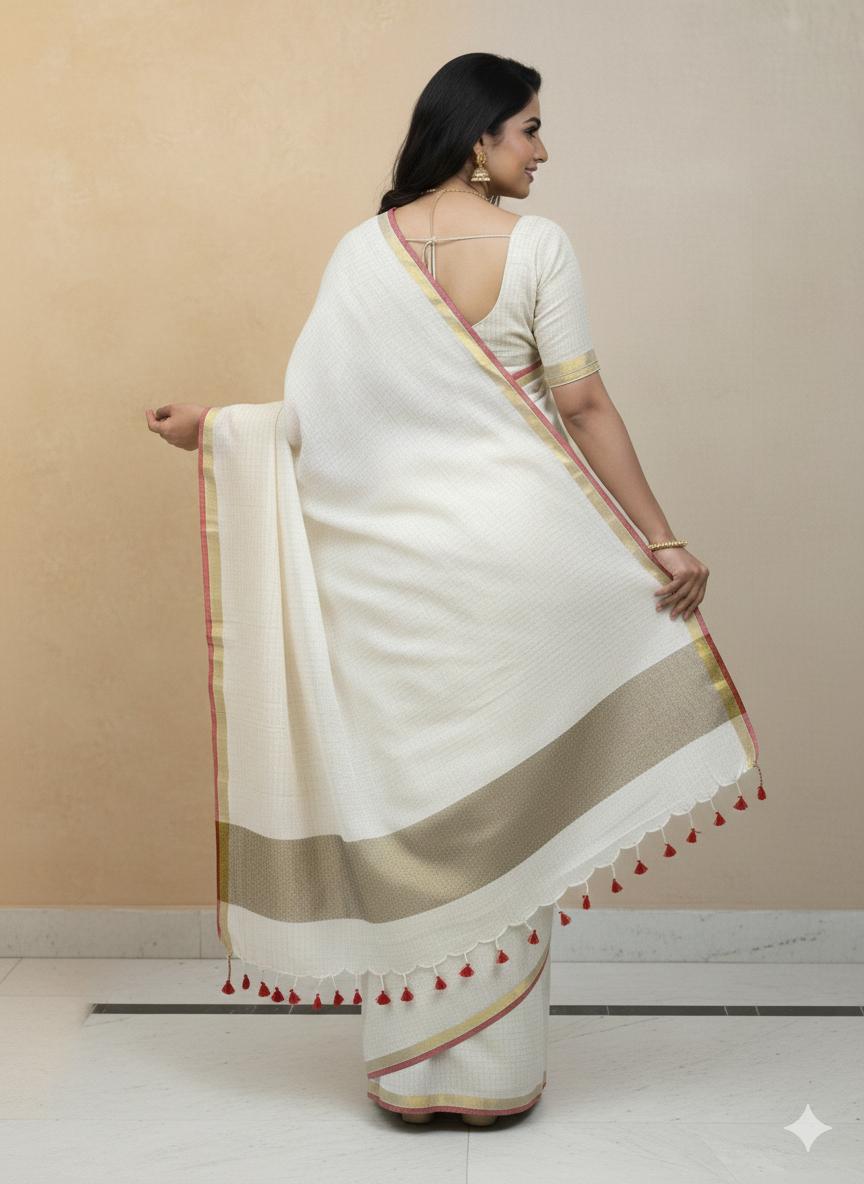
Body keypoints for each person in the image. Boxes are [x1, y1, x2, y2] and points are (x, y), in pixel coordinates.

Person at [146, 53, 763, 1127]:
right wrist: (661, 539)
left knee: (411, 801)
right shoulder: (537, 247)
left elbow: (322, 423)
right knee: (501, 807)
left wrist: (217, 429)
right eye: (529, 128)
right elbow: (584, 404)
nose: (543, 150)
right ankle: (491, 1080)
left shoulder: (363, 254)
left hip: (391, 580)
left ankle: (412, 1075)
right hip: (517, 566)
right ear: (479, 139)